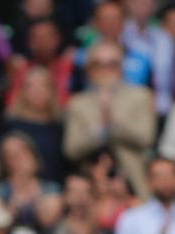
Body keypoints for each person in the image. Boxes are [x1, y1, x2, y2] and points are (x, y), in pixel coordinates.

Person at [64, 43, 158, 197]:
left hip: (132, 181)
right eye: (98, 64)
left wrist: (112, 124)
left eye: (112, 64)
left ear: (121, 67)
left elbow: (147, 138)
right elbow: (71, 149)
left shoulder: (141, 96)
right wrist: (100, 130)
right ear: (89, 69)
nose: (105, 69)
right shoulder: (77, 103)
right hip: (90, 185)